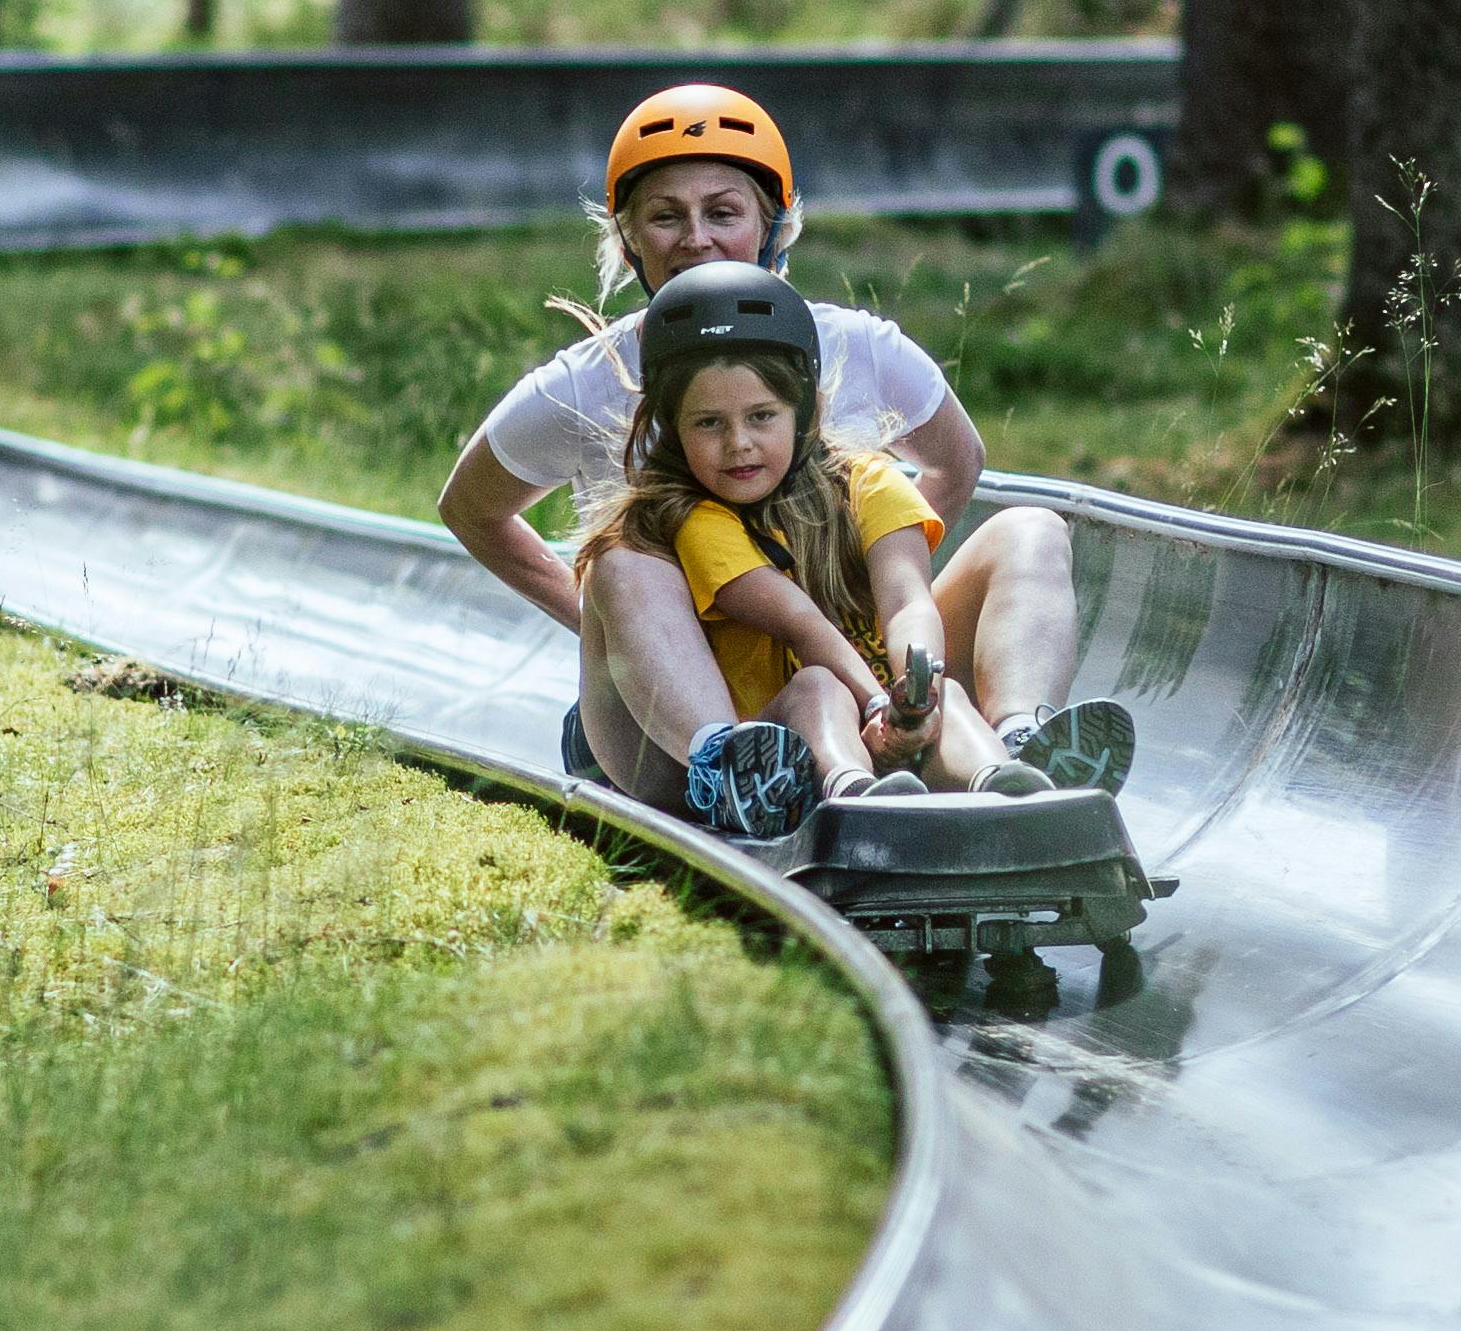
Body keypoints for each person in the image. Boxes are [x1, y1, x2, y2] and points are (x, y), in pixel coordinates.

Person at [436, 80, 1129, 831]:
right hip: (678, 706)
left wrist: (879, 612)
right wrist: (614, 625)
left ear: (771, 225)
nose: (695, 238)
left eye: (722, 213)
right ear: (629, 238)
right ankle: (727, 759)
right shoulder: (585, 381)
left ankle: (1022, 741)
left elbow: (955, 465)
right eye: (666, 216)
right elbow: (469, 508)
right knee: (625, 559)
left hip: (855, 672)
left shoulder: (857, 350)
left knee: (1030, 528)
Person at [589, 265, 1030, 817]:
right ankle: (833, 795)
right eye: (708, 424)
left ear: (805, 412)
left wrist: (918, 695)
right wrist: (874, 700)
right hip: (772, 739)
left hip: (879, 715)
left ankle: (1013, 770)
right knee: (818, 688)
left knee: (1025, 542)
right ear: (671, 428)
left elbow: (907, 598)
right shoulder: (690, 516)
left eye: (761, 416)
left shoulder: (863, 479)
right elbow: (800, 621)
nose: (738, 444)